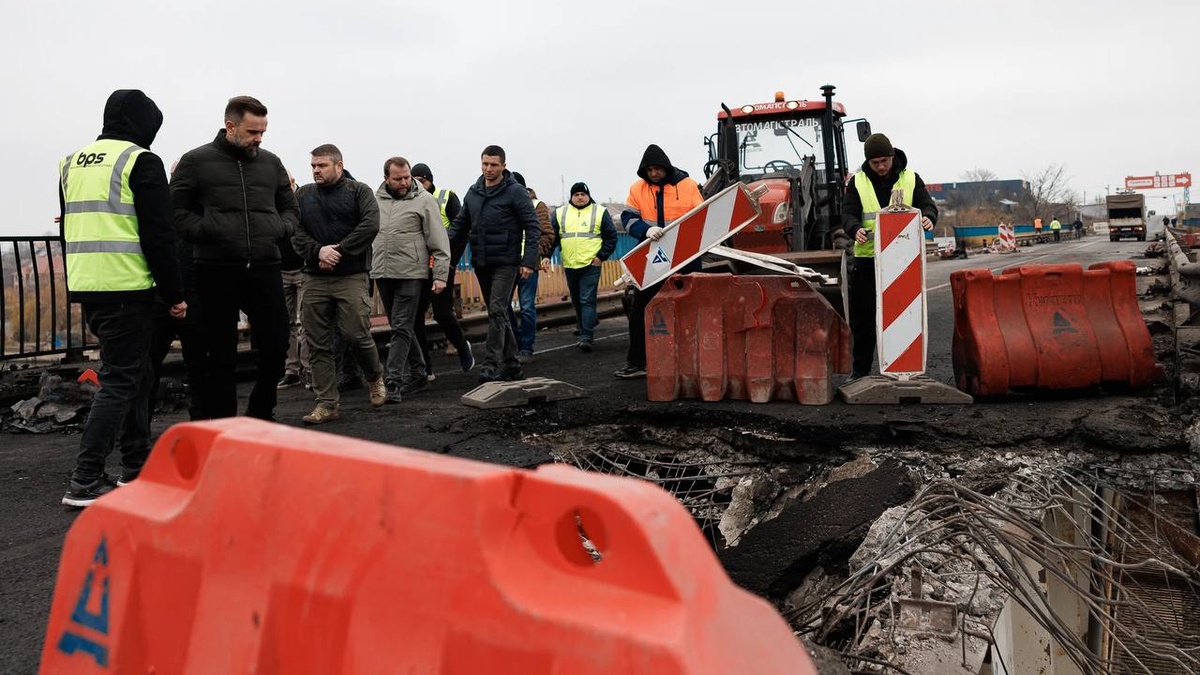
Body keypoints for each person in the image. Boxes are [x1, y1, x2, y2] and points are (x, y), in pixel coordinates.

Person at [59, 89, 185, 507]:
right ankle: (85, 479)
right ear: (143, 123)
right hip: (127, 287)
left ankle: (136, 465)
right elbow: (159, 234)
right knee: (119, 381)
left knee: (138, 375)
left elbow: (69, 226)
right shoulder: (140, 161)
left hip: (88, 286)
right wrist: (174, 293)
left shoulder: (71, 162)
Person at [171, 95, 298, 421]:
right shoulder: (196, 161)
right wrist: (207, 230)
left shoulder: (271, 163)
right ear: (230, 126)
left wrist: (280, 228)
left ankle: (260, 413)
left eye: (263, 132)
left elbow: (289, 207)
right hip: (216, 268)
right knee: (220, 353)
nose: (259, 138)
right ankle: (225, 421)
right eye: (253, 131)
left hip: (265, 265)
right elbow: (177, 211)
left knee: (276, 344)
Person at [291, 145, 387, 423]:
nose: (316, 170)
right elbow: (295, 230)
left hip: (351, 275)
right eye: (313, 166)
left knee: (355, 333)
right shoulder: (303, 195)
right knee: (317, 342)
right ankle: (326, 403)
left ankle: (374, 375)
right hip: (314, 276)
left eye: (321, 165)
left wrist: (339, 251)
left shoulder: (359, 191)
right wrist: (318, 252)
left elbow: (370, 225)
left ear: (339, 165)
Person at [841, 133, 937, 380]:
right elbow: (848, 214)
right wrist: (854, 229)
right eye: (875, 163)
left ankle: (904, 369)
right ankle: (860, 371)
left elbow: (927, 205)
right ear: (868, 162)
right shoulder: (858, 182)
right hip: (867, 260)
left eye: (885, 161)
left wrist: (929, 217)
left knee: (905, 314)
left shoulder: (911, 178)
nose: (881, 167)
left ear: (892, 157)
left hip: (902, 261)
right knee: (863, 320)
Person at [446, 145, 541, 383]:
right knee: (498, 313)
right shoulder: (473, 192)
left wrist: (529, 261)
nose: (488, 169)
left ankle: (490, 364)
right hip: (482, 262)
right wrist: (439, 245)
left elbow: (532, 227)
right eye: (485, 164)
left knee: (498, 310)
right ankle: (513, 365)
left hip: (507, 262)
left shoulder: (515, 192)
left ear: (503, 166)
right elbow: (459, 226)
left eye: (494, 165)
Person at [616, 144, 705, 379]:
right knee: (640, 309)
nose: (654, 173)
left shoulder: (688, 186)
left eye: (657, 169)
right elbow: (628, 218)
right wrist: (645, 230)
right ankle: (638, 362)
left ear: (666, 167)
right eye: (649, 170)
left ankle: (692, 362)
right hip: (652, 258)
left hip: (686, 257)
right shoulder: (638, 188)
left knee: (690, 308)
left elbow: (701, 218)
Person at [370, 157, 451, 403]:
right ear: (386, 178)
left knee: (401, 327)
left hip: (411, 273)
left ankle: (393, 382)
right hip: (383, 271)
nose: (404, 182)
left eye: (407, 177)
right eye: (398, 179)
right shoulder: (375, 200)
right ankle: (419, 372)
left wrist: (440, 276)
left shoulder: (425, 200)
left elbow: (439, 241)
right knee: (400, 326)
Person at [409, 162, 474, 375]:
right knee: (415, 316)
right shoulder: (408, 199)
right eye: (414, 181)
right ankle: (425, 367)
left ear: (430, 180)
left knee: (442, 313)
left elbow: (462, 231)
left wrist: (451, 261)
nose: (419, 185)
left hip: (441, 265)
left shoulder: (446, 197)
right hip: (417, 267)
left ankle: (462, 347)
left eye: (422, 181)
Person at [552, 181, 617, 351]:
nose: (580, 197)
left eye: (583, 194)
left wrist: (601, 257)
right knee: (576, 299)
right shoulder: (560, 213)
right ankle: (584, 325)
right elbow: (553, 238)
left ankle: (586, 336)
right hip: (570, 264)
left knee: (587, 299)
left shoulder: (599, 211)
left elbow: (611, 237)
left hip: (591, 263)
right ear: (571, 197)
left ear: (588, 196)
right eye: (576, 195)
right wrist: (545, 256)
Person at [509, 172, 554, 363]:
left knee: (527, 307)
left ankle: (526, 347)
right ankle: (516, 342)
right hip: (506, 264)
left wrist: (534, 255)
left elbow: (547, 234)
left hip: (528, 264)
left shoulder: (537, 205)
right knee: (502, 307)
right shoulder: (503, 204)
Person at [278, 172, 311, 390]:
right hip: (281, 268)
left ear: (292, 182)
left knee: (306, 321)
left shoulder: (304, 201)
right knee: (285, 322)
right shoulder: (274, 202)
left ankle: (308, 368)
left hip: (302, 269)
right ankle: (291, 369)